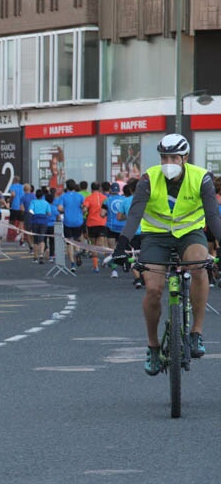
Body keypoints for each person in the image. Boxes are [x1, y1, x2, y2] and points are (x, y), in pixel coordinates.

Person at [112, 133, 221, 375]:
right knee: (153, 289)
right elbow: (135, 215)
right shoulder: (148, 178)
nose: (168, 162)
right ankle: (152, 346)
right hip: (156, 236)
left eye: (173, 157)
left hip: (189, 233)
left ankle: (196, 333)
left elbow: (213, 216)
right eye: (164, 157)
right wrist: (121, 246)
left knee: (200, 266)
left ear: (185, 157)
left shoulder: (201, 177)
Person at [54, 179, 85, 272]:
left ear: (66, 187)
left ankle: (72, 264)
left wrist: (65, 210)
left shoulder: (63, 196)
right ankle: (78, 252)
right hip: (78, 221)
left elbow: (59, 208)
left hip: (68, 221)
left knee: (69, 242)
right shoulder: (80, 196)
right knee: (77, 240)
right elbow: (84, 208)